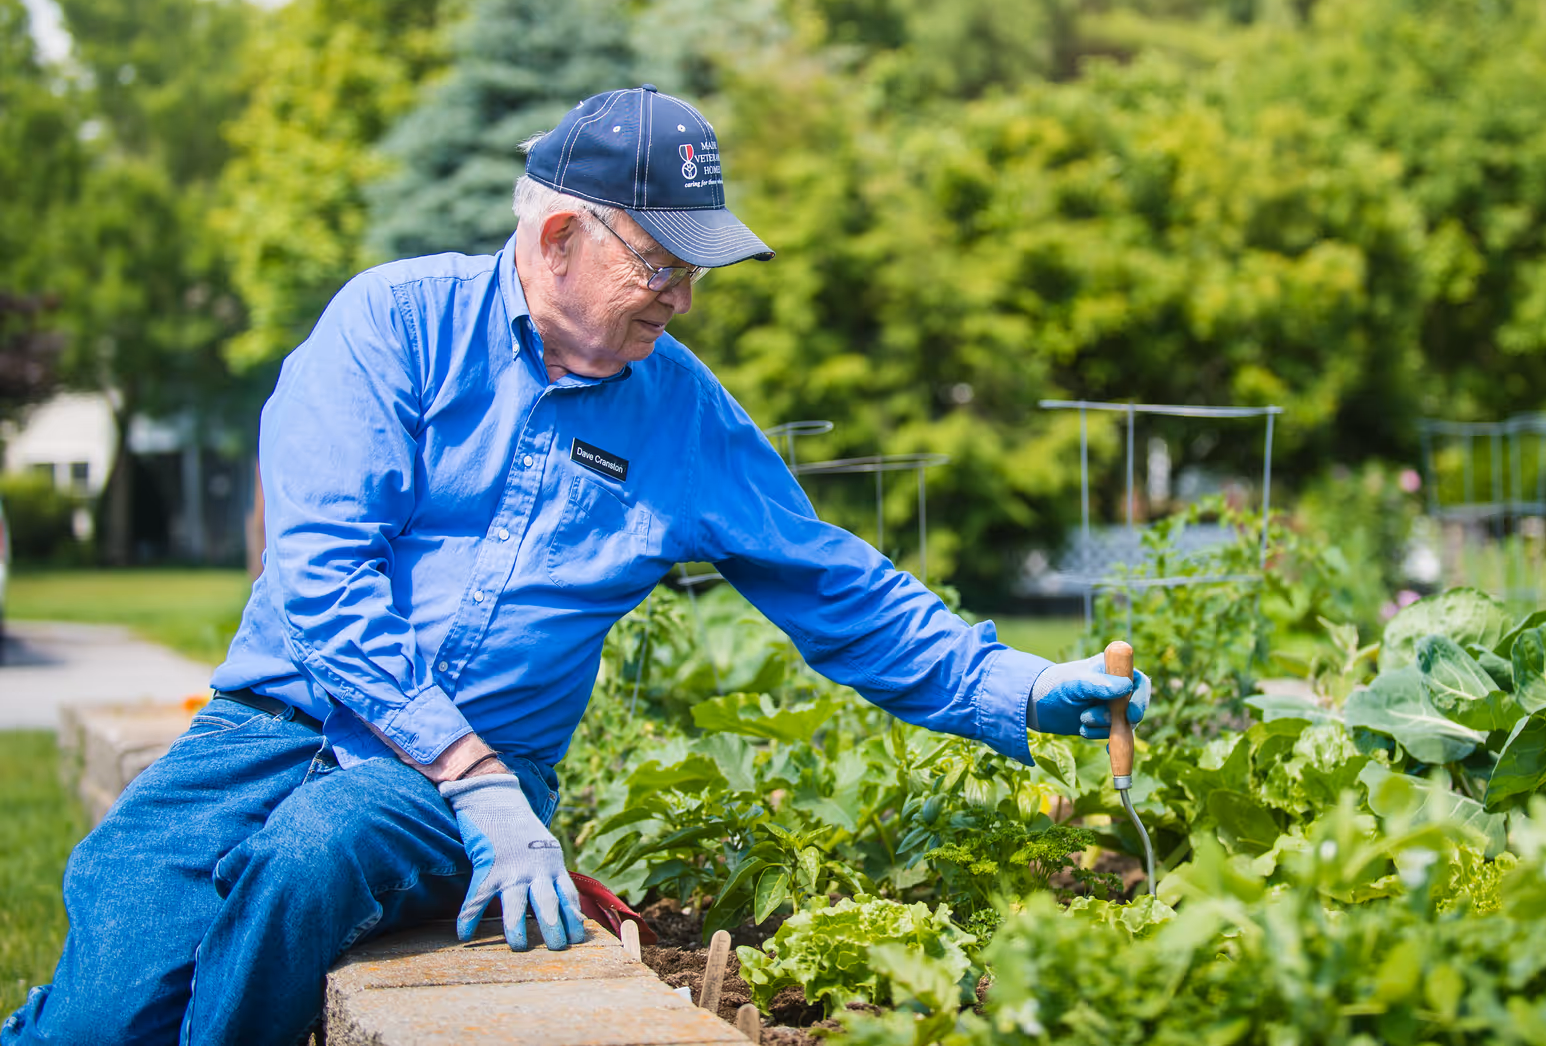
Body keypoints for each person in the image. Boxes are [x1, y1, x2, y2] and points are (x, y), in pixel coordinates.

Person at [2, 85, 1150, 1046]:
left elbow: (840, 587)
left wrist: (1026, 687)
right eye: (661, 264)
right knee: (106, 993)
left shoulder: (683, 415)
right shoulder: (392, 327)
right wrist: (468, 771)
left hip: (434, 795)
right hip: (272, 729)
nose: (685, 297)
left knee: (314, 855)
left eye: (696, 270)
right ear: (559, 238)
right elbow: (323, 581)